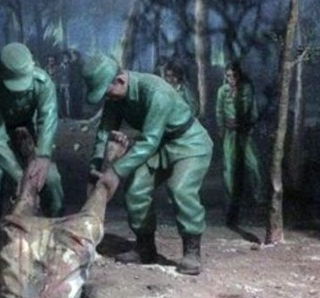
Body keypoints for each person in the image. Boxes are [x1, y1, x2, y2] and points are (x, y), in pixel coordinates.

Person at [82, 54, 213, 275]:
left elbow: (149, 140)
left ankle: (192, 251)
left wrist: (115, 171)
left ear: (120, 81)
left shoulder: (154, 91)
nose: (107, 97)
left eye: (107, 91)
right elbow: (104, 131)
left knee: (180, 189)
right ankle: (145, 248)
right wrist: (96, 164)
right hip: (160, 146)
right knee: (135, 189)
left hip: (190, 143)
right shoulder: (115, 99)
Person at [0, 42, 64, 255]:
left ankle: (57, 229)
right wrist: (20, 178)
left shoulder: (43, 83)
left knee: (51, 179)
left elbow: (48, 120)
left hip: (29, 134)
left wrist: (42, 157)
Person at [216, 61, 263, 226]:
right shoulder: (222, 91)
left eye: (234, 75)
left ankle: (259, 197)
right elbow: (219, 111)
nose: (231, 78)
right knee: (228, 168)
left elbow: (253, 109)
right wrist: (222, 128)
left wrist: (249, 125)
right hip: (229, 134)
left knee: (254, 164)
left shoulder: (247, 89)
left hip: (244, 132)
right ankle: (230, 204)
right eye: (228, 75)